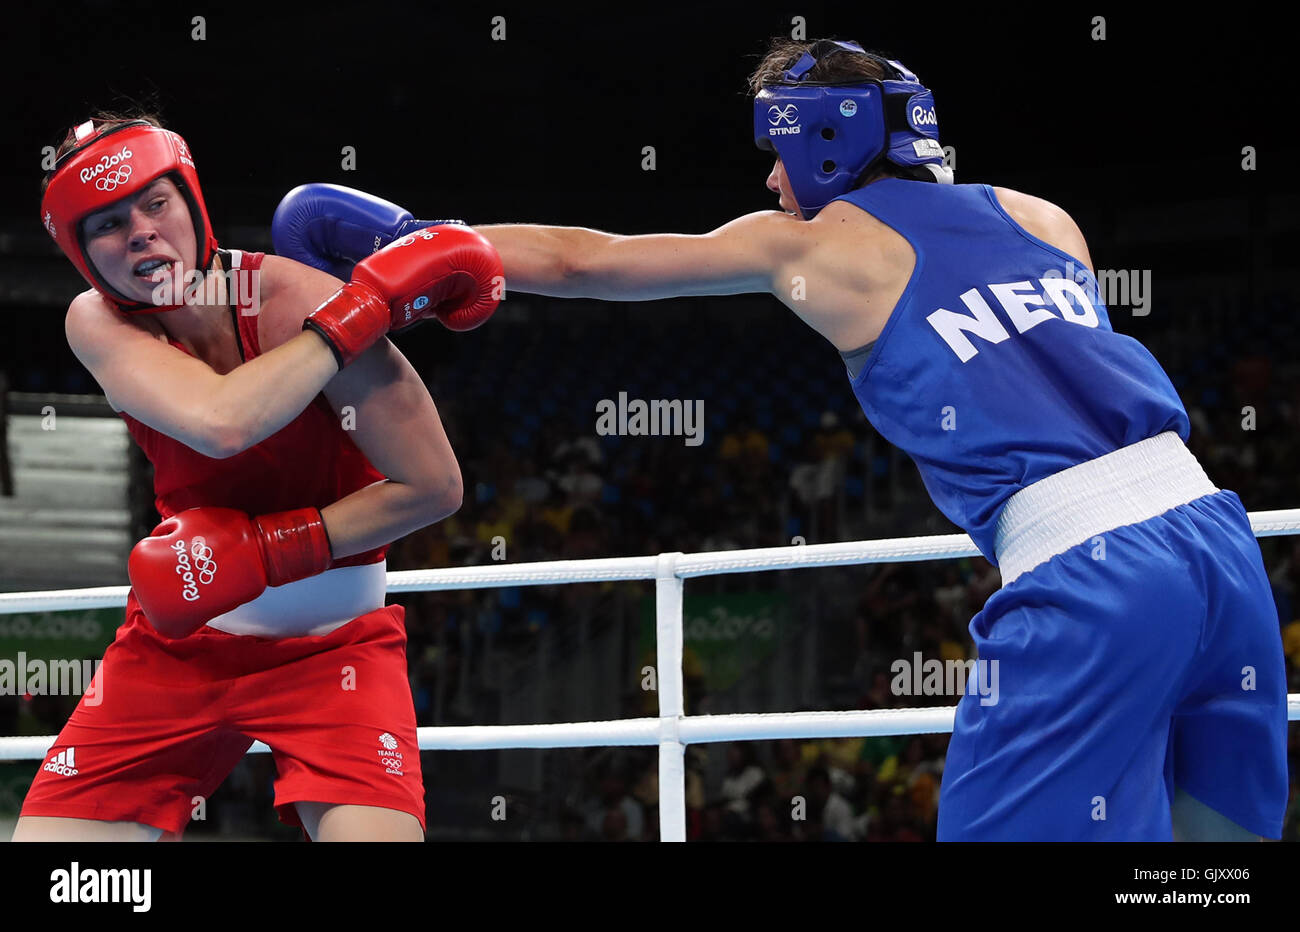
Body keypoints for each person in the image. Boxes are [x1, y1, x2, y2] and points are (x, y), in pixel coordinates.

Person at [270, 38, 1288, 841]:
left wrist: (437, 244)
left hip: (1091, 578)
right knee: (1208, 848)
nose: (766, 178)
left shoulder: (815, 248)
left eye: (776, 151)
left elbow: (591, 262)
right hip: (1218, 543)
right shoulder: (1044, 216)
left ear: (824, 146)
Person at [13, 115, 501, 841]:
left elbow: (435, 486)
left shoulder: (291, 297)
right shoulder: (99, 321)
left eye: (155, 203)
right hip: (177, 650)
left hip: (335, 649)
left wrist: (270, 551)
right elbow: (220, 422)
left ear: (192, 202)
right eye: (108, 223)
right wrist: (357, 315)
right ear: (82, 256)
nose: (141, 232)